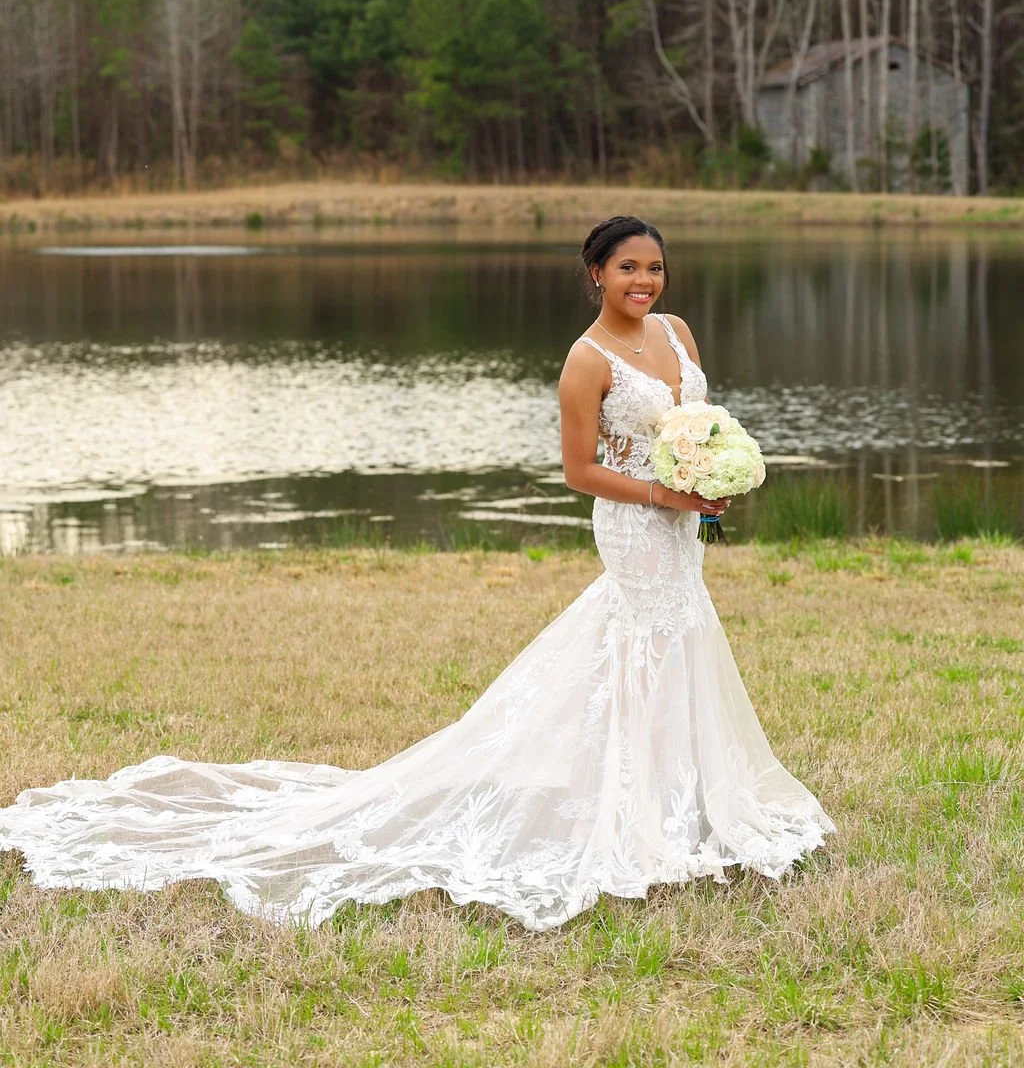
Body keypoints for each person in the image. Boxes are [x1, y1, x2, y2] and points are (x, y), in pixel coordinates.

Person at [0, 216, 834, 933]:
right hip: (632, 520)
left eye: (653, 267)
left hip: (681, 522)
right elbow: (580, 468)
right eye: (627, 268)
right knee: (640, 640)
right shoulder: (588, 361)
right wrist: (663, 488)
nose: (644, 280)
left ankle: (687, 801)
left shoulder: (679, 333)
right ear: (596, 275)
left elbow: (695, 422)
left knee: (679, 637)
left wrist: (713, 479)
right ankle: (638, 814)